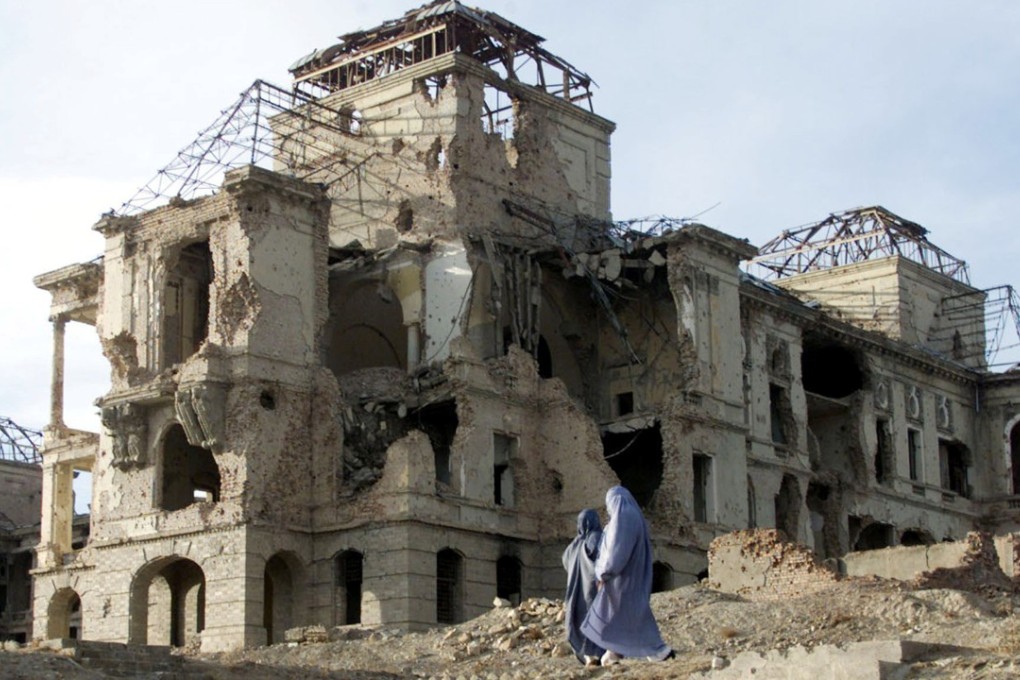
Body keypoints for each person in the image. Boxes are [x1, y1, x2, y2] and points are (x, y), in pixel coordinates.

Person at [581, 486, 674, 665]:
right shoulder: (633, 516)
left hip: (620, 578)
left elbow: (616, 550)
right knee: (622, 616)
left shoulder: (622, 518)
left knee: (624, 614)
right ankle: (614, 653)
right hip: (630, 575)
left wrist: (604, 573)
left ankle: (657, 651)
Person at [561, 508, 606, 665]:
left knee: (578, 620)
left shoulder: (573, 545)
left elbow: (565, 561)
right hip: (593, 590)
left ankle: (586, 655)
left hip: (575, 593)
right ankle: (596, 654)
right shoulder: (598, 538)